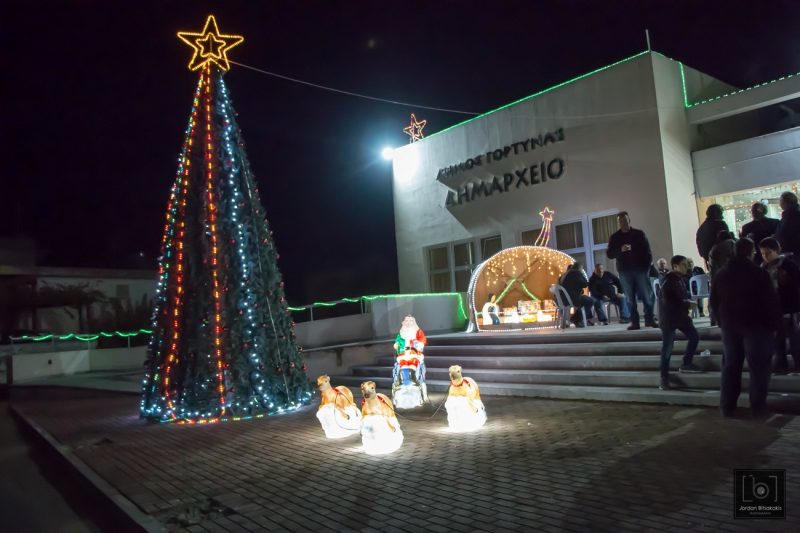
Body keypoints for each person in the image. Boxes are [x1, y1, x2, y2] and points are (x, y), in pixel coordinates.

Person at [710, 238, 781, 418]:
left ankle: (727, 406)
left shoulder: (721, 274)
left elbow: (713, 301)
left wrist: (721, 321)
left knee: (731, 366)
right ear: (751, 252)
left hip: (730, 326)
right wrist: (775, 325)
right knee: (759, 368)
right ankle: (757, 406)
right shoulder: (759, 273)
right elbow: (770, 301)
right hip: (756, 326)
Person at [658, 255, 704, 390]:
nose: (687, 267)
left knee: (694, 336)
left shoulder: (679, 280)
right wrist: (687, 304)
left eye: (686, 264)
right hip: (669, 319)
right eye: (683, 265)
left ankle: (686, 363)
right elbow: (670, 303)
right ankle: (664, 377)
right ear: (675, 266)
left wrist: (686, 303)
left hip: (680, 317)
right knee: (667, 348)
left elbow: (679, 298)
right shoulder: (669, 282)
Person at [607, 211, 658, 330]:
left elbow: (647, 251)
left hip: (640, 269)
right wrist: (620, 250)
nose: (623, 222)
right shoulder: (615, 237)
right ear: (618, 223)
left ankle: (649, 319)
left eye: (625, 220)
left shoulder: (639, 234)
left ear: (629, 220)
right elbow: (610, 254)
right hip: (625, 271)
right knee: (630, 298)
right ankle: (635, 322)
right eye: (620, 221)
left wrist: (646, 267)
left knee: (648, 296)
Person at [759, 237, 800, 374]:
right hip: (773, 310)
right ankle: (781, 365)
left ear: (777, 250)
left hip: (790, 307)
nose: (766, 256)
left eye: (768, 253)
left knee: (794, 339)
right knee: (778, 340)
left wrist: (784, 279)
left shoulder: (788, 265)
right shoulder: (763, 268)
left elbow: (796, 285)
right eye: (763, 254)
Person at [561, 262, 608, 326]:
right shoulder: (577, 273)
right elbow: (585, 284)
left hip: (564, 299)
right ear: (579, 268)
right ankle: (576, 319)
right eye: (582, 268)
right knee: (591, 301)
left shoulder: (565, 275)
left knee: (585, 299)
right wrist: (582, 274)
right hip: (573, 298)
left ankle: (583, 319)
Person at [776, 191, 800, 256]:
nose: (780, 204)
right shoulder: (787, 216)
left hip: (792, 253)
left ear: (786, 202)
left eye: (780, 201)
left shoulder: (789, 217)